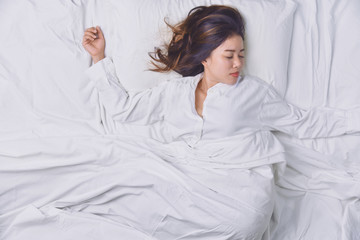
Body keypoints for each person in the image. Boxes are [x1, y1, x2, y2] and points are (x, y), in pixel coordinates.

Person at [82, 5, 360, 240]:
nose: (238, 63)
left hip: (240, 192)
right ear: (205, 56)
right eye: (229, 56)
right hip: (189, 180)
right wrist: (98, 57)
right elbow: (125, 109)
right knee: (122, 187)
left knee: (243, 224)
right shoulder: (175, 93)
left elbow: (304, 122)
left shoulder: (253, 93)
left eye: (241, 55)